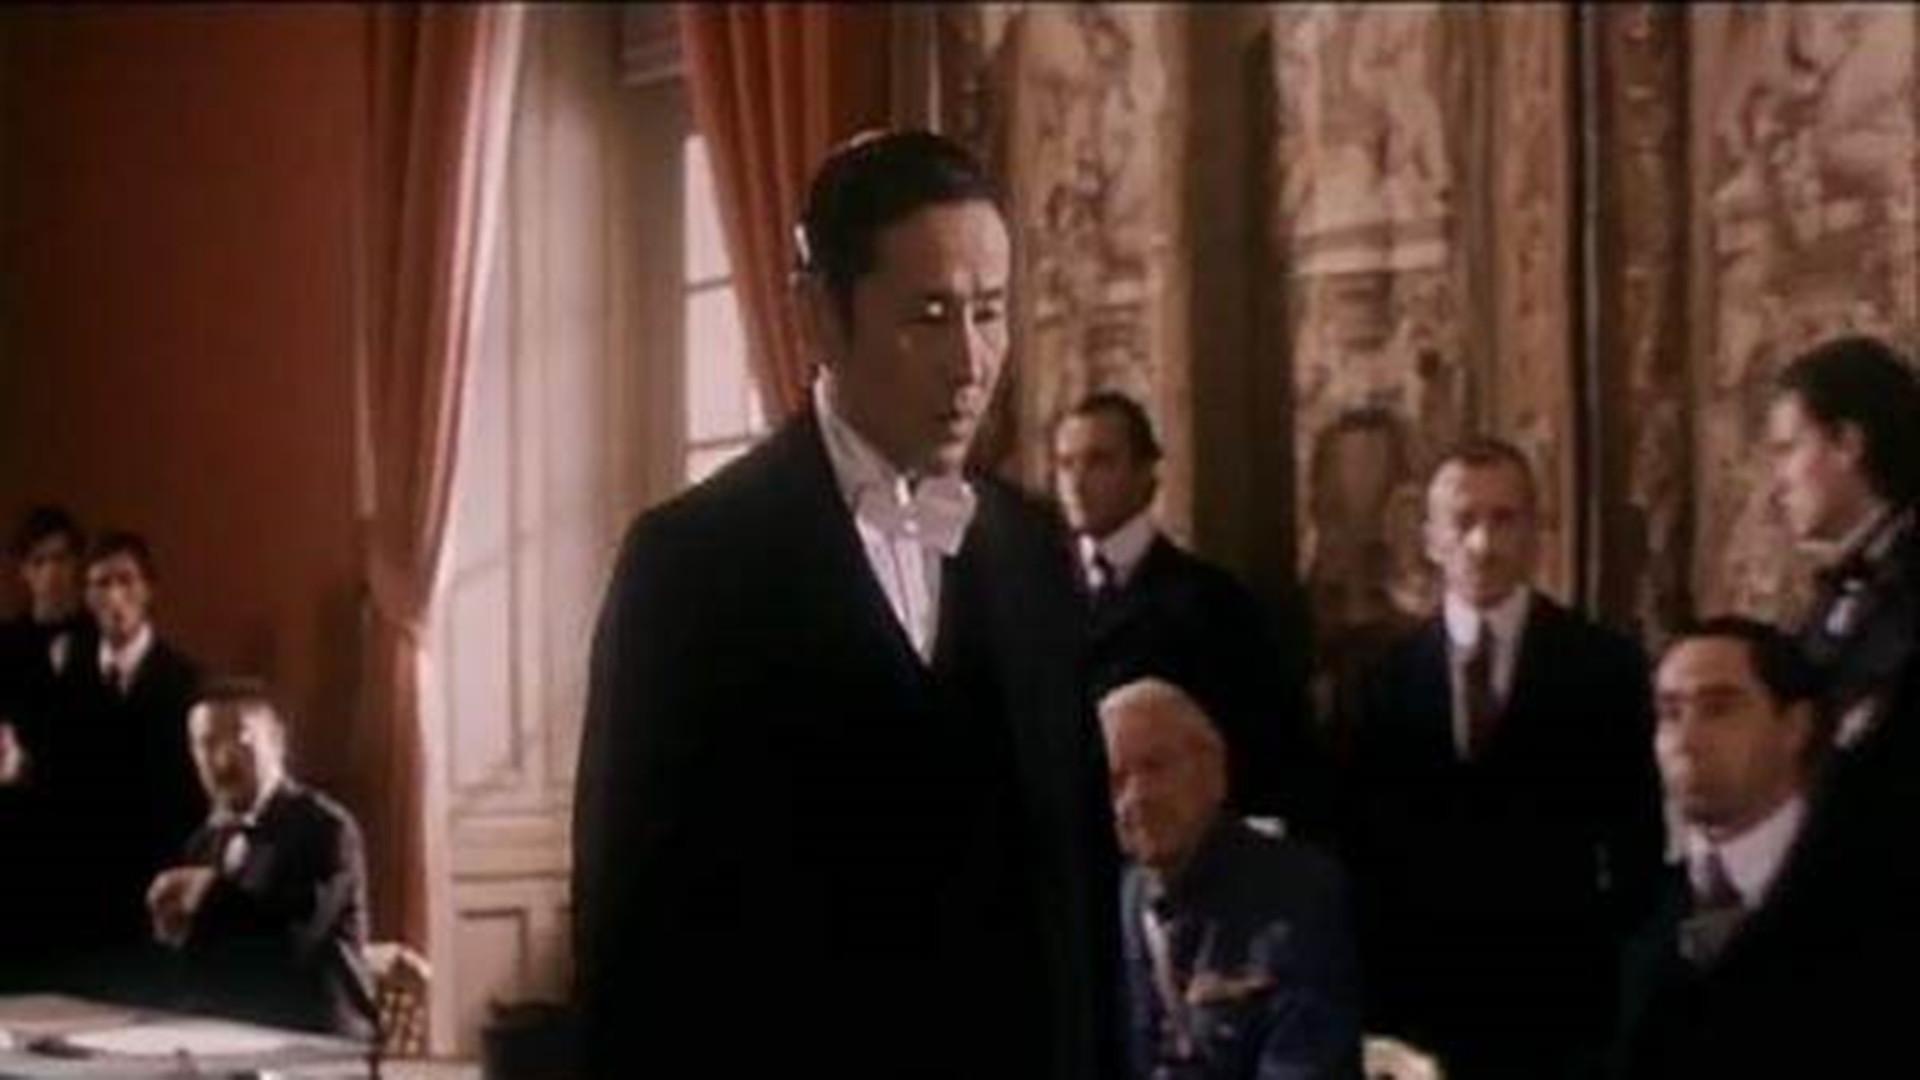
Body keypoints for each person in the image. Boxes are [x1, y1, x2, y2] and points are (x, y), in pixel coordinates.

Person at [572, 130, 1117, 1078]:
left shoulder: (1034, 552)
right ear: (820, 317)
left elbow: (1082, 895)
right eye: (929, 316)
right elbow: (633, 943)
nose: (971, 362)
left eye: (990, 313)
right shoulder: (689, 566)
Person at [1340, 437, 1665, 1079]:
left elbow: (1637, 844)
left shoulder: (1604, 664)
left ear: (1536, 532)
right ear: (1430, 538)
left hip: (1561, 1008)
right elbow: (1355, 848)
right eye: (1463, 521)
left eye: (1504, 519)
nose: (1483, 543)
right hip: (1417, 1007)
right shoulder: (1376, 677)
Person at [1612, 618, 1880, 1077]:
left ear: (1795, 726)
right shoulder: (1626, 910)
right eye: (1670, 713)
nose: (1686, 741)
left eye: (1718, 709)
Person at [1053, 391, 1320, 831]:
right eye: (1066, 464)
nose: (1077, 483)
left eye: (1099, 461)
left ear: (1146, 474)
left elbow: (1259, 751)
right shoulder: (1033, 592)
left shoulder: (1212, 602)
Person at [1101, 677, 1360, 1080]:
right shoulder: (1121, 899)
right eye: (1117, 781)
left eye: (1155, 767)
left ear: (1213, 771)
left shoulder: (1297, 892)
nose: (1136, 797)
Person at [146, 677, 377, 1039]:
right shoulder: (204, 842)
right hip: (232, 1039)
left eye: (241, 739)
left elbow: (292, 944)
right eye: (207, 743)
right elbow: (200, 970)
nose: (223, 759)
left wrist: (208, 893)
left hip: (317, 1042)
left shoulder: (324, 829)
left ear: (277, 741)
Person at [46, 530, 204, 1001]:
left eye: (126, 580)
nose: (115, 596)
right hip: (81, 896)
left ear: (148, 589)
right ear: (87, 596)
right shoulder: (66, 679)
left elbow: (193, 798)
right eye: (101, 583)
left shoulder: (185, 681)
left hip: (153, 889)